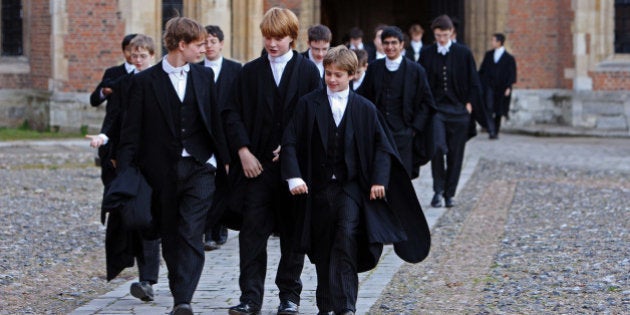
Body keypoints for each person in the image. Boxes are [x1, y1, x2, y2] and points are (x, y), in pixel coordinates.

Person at [281, 45, 431, 315]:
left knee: (347, 238)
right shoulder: (308, 104)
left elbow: (382, 147)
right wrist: (293, 176)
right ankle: (326, 306)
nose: (332, 79)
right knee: (323, 246)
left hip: (350, 187)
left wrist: (379, 180)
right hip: (317, 187)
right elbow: (290, 141)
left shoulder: (365, 108)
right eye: (328, 74)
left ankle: (346, 306)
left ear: (351, 74)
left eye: (338, 74)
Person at [117, 17, 229, 315]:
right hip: (161, 172)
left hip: (201, 167)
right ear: (181, 45)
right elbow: (131, 133)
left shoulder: (204, 78)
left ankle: (183, 299)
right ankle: (179, 288)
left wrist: (225, 161)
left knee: (191, 232)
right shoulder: (143, 82)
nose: (204, 49)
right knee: (170, 233)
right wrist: (125, 175)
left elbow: (215, 123)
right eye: (199, 44)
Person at [221, 7, 321, 315]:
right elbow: (231, 113)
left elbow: (316, 116)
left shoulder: (307, 72)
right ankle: (250, 297)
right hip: (257, 168)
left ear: (292, 37)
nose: (272, 43)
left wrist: (293, 149)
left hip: (293, 171)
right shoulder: (249, 72)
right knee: (252, 235)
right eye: (267, 37)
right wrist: (243, 151)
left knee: (293, 235)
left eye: (278, 38)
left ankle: (289, 296)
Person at [86, 34, 162, 303]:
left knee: (165, 222)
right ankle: (147, 279)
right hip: (132, 163)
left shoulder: (165, 81)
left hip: (163, 163)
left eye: (143, 56)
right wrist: (105, 141)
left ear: (153, 55)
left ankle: (175, 274)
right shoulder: (125, 84)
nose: (138, 60)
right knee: (141, 217)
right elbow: (114, 119)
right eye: (134, 55)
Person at [419, 15, 481, 208]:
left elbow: (474, 80)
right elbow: (421, 82)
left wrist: (469, 103)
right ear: (434, 34)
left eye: (445, 35)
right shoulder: (427, 53)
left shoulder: (463, 53)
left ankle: (449, 193)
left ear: (451, 33)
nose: (442, 39)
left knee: (456, 153)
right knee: (437, 147)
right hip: (437, 110)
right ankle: (438, 190)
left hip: (459, 110)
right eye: (438, 35)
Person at [357, 26, 435, 177]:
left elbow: (427, 102)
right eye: (386, 43)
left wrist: (414, 129)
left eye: (394, 43)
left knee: (402, 177)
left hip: (404, 133)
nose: (390, 47)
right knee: (379, 175)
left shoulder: (416, 70)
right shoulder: (374, 68)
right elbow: (363, 97)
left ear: (402, 44)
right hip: (379, 132)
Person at [200, 24, 243, 251]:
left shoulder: (235, 70)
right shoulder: (195, 69)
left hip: (228, 135)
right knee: (207, 184)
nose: (208, 46)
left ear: (221, 44)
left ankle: (220, 225)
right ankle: (208, 230)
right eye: (205, 42)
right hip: (205, 136)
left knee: (226, 183)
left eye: (213, 42)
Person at [88, 33, 136, 186]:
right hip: (113, 129)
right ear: (123, 51)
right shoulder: (113, 73)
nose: (132, 55)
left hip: (134, 130)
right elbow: (94, 100)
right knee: (110, 176)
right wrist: (104, 92)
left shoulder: (148, 74)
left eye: (137, 51)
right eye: (129, 50)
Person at [478, 33, 517, 139]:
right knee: (489, 107)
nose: (492, 42)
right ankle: (491, 130)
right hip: (490, 86)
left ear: (499, 42)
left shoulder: (508, 58)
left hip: (502, 87)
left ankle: (496, 129)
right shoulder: (489, 55)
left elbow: (511, 73)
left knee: (499, 110)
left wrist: (508, 87)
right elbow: (483, 70)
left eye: (493, 40)